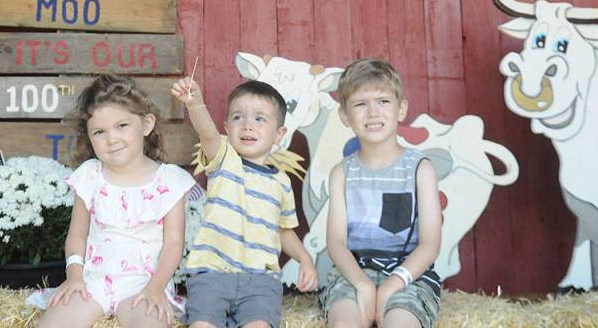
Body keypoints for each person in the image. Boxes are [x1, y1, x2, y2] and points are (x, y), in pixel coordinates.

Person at [31, 75, 196, 328]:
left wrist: (156, 288)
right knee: (53, 323)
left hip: (143, 283)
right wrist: (74, 276)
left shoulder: (169, 180)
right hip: (92, 282)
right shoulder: (90, 176)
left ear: (147, 124)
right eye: (99, 132)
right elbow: (77, 235)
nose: (112, 139)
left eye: (122, 126)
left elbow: (174, 242)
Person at [171, 76, 318, 328]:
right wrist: (195, 104)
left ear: (279, 134)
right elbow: (206, 132)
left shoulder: (281, 182)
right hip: (212, 274)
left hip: (260, 281)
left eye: (260, 119)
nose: (248, 125)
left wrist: (305, 259)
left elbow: (283, 230)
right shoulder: (224, 159)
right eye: (238, 117)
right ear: (227, 128)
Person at [323, 58, 443, 328]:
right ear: (344, 115)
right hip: (353, 272)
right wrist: (363, 285)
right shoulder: (342, 173)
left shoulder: (420, 169)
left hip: (408, 274)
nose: (373, 112)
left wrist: (391, 286)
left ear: (401, 109)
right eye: (360, 104)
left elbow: (430, 244)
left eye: (383, 101)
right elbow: (336, 243)